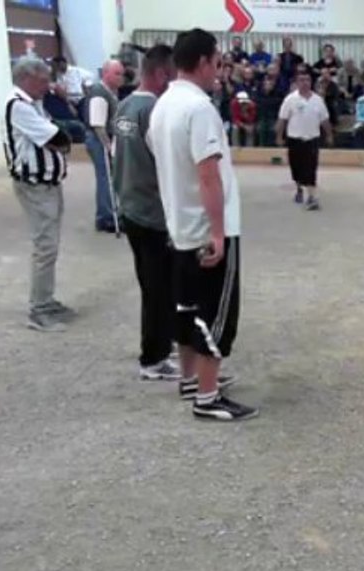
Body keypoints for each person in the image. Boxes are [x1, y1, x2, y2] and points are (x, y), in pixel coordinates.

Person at [148, 28, 257, 421]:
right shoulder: (199, 109)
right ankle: (208, 398)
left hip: (179, 225)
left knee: (186, 305)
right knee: (216, 312)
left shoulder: (162, 106)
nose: (219, 71)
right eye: (217, 62)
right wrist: (217, 232)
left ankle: (192, 379)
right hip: (207, 226)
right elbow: (208, 174)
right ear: (203, 62)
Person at [112, 44, 180, 381]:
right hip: (153, 214)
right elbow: (168, 164)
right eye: (171, 75)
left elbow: (117, 157)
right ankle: (154, 357)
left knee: (151, 284)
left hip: (131, 207)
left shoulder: (124, 105)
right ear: (161, 74)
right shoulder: (155, 111)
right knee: (159, 288)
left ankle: (159, 349)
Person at [4, 58, 73, 332]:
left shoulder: (34, 102)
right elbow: (57, 138)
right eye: (43, 81)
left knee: (50, 244)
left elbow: (60, 135)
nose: (48, 86)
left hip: (48, 184)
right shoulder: (19, 105)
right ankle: (39, 309)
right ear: (27, 79)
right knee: (44, 246)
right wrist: (62, 141)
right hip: (35, 186)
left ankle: (46, 299)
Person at [277, 71, 333, 209]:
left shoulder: (318, 100)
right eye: (301, 80)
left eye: (307, 80)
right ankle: (299, 188)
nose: (305, 83)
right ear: (296, 83)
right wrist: (279, 136)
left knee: (311, 168)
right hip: (294, 139)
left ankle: (312, 197)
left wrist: (329, 135)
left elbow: (325, 120)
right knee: (296, 167)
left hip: (312, 138)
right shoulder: (290, 99)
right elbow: (282, 119)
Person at [84, 60, 124, 233]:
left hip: (104, 138)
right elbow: (98, 124)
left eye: (121, 73)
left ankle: (108, 213)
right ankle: (105, 217)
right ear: (106, 73)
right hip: (99, 139)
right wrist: (108, 147)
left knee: (108, 178)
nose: (121, 78)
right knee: (105, 178)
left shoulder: (109, 91)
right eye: (117, 73)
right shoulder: (100, 93)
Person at [255, 77, 284, 147]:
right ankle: (261, 149)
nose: (268, 85)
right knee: (261, 128)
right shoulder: (259, 94)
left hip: (274, 118)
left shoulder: (278, 94)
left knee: (273, 128)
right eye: (267, 84)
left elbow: (278, 106)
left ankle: (272, 149)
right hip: (261, 118)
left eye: (270, 84)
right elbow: (258, 105)